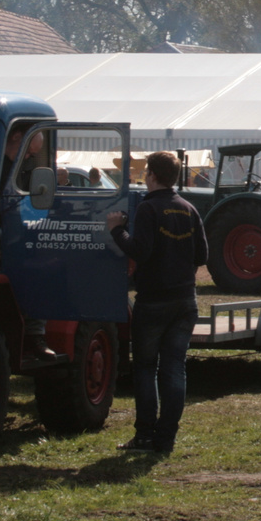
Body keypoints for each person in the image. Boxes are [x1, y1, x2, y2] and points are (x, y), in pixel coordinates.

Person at [108, 150, 209, 454]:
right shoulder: (189, 209)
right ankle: (166, 438)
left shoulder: (149, 209)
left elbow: (140, 250)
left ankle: (144, 436)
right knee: (174, 368)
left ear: (151, 175)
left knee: (145, 369)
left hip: (153, 301)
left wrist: (116, 229)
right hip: (185, 300)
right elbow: (202, 256)